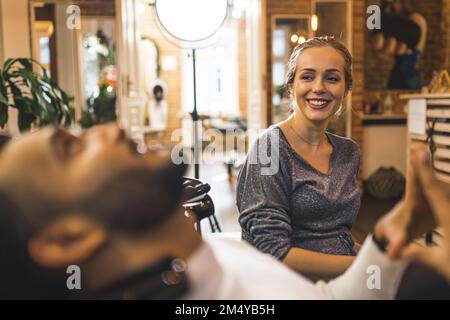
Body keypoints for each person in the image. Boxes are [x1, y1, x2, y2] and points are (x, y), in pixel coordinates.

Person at [0, 125, 448, 299]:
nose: (110, 128)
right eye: (71, 148)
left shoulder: (215, 247)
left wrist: (387, 238)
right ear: (69, 239)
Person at [237, 36, 360, 281]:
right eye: (307, 76)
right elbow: (272, 252)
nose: (319, 87)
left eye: (332, 78)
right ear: (291, 85)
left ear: (345, 89)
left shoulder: (349, 152)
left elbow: (336, 234)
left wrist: (377, 255)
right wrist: (363, 267)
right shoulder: (270, 149)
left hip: (343, 279)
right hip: (290, 287)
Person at [371, 0, 427, 90]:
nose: (391, 7)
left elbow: (415, 46)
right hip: (398, 77)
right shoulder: (398, 21)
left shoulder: (415, 19)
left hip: (409, 77)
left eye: (394, 3)